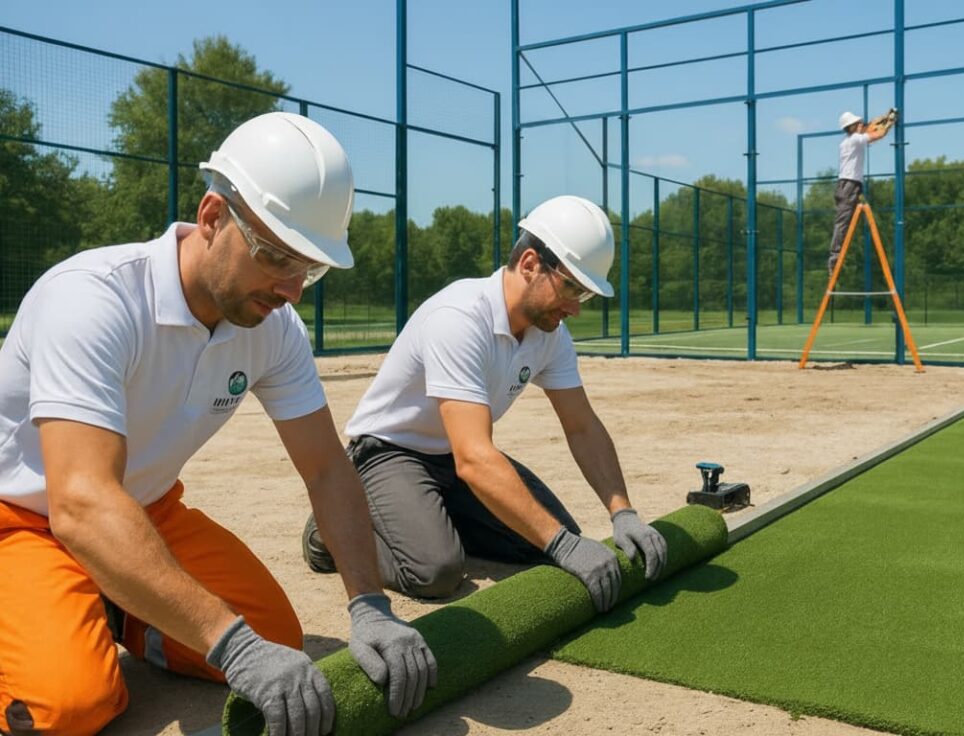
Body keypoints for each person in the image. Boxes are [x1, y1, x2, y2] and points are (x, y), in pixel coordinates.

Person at [0, 112, 436, 736]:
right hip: (22, 523)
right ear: (211, 217)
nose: (292, 289)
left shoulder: (274, 328)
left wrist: (369, 605)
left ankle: (117, 604)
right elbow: (79, 502)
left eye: (309, 267)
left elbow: (326, 468)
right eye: (277, 256)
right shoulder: (93, 299)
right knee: (66, 705)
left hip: (145, 512)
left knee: (277, 637)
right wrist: (230, 645)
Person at [301, 195, 668, 614]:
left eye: (584, 296)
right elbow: (474, 459)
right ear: (530, 264)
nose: (574, 309)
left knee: (551, 537)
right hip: (388, 454)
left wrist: (622, 512)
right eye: (571, 288)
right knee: (435, 570)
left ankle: (428, 518)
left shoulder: (550, 334)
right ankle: (328, 533)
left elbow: (582, 426)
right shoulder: (459, 318)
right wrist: (564, 546)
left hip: (451, 457)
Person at [829, 109, 895, 275]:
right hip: (849, 185)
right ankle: (834, 258)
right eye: (858, 123)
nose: (861, 124)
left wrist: (884, 118)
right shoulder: (855, 140)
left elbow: (869, 129)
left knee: (846, 221)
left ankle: (836, 256)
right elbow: (876, 135)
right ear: (851, 127)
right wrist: (889, 123)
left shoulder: (850, 140)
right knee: (842, 222)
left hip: (850, 185)